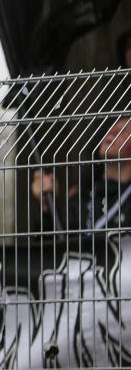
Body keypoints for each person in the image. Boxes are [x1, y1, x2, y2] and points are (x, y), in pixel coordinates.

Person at [31, 31, 131, 232]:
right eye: (111, 125)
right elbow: (54, 256)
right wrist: (46, 205)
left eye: (124, 128)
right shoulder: (82, 198)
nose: (112, 130)